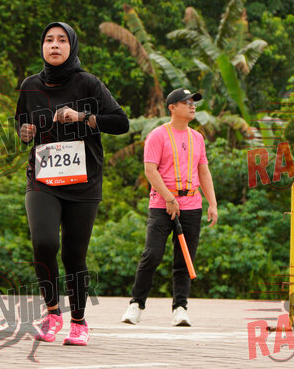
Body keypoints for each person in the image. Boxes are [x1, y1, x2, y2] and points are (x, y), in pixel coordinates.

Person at [16, 22, 129, 345]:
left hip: (83, 182)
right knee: (44, 243)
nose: (54, 45)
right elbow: (21, 124)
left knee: (74, 254)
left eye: (62, 40)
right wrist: (24, 133)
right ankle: (52, 313)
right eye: (49, 40)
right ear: (42, 46)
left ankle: (78, 321)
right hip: (43, 179)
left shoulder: (88, 84)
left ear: (72, 46)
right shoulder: (29, 85)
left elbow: (121, 122)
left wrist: (83, 117)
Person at [121, 87, 217, 327]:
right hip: (161, 204)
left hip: (192, 204)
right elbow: (150, 171)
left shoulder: (197, 138)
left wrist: (212, 203)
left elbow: (203, 171)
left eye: (194, 102)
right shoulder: (157, 135)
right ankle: (136, 304)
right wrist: (169, 198)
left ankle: (180, 308)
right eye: (187, 102)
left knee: (185, 258)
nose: (193, 106)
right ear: (172, 107)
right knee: (152, 254)